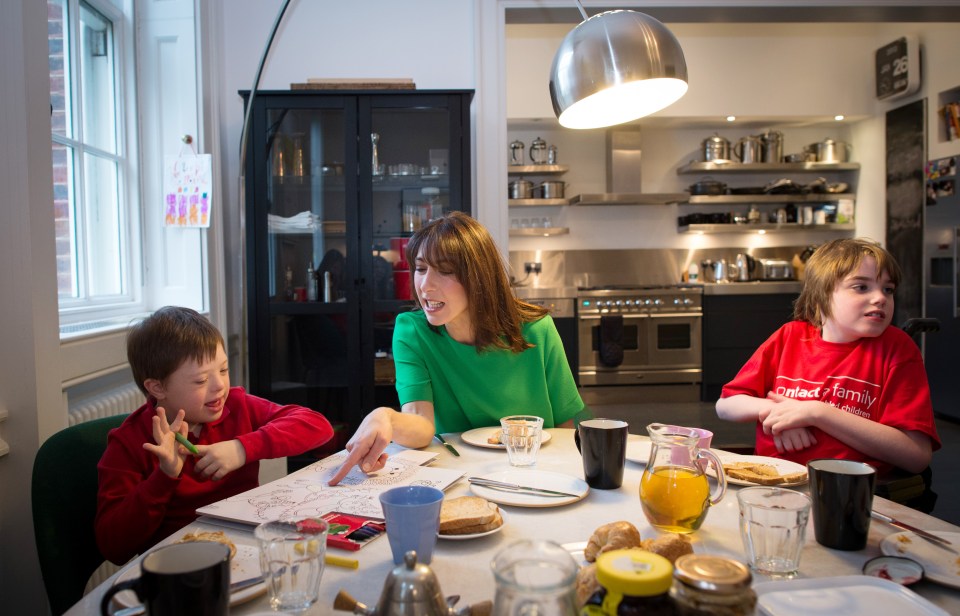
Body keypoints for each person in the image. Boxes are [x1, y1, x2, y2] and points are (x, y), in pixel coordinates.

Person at [328, 212, 584, 485]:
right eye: (421, 268)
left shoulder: (536, 328)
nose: (426, 285)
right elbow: (420, 423)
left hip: (532, 472)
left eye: (446, 270)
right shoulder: (412, 331)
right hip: (457, 476)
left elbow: (565, 427)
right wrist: (384, 417)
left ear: (480, 277)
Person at [95, 306, 334, 564]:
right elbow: (113, 547)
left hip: (247, 553)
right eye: (200, 381)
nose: (220, 386)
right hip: (181, 568)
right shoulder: (129, 442)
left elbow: (317, 425)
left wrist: (241, 448)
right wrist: (164, 477)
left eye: (223, 370)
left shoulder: (237, 404)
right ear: (157, 387)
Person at [716, 238, 940, 476]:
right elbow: (726, 406)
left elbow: (916, 456)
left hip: (849, 493)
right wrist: (781, 414)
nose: (880, 298)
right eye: (861, 287)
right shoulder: (790, 336)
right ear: (820, 296)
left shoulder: (897, 349)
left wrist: (817, 413)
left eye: (888, 289)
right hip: (772, 483)